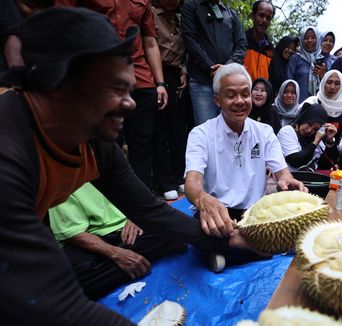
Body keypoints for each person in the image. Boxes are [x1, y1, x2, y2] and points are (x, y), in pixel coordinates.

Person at [0, 8, 254, 324]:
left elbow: (151, 212)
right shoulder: (8, 157)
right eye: (118, 89)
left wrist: (237, 241)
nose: (131, 103)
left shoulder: (94, 142)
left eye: (130, 90)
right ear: (61, 84)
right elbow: (64, 306)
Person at [184, 63, 306, 267]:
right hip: (219, 215)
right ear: (217, 100)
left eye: (245, 94)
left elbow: (283, 174)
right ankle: (246, 247)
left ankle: (229, 249)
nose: (239, 101)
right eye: (231, 95)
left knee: (294, 225)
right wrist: (203, 199)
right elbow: (192, 182)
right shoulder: (201, 134)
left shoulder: (265, 132)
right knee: (198, 227)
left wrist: (289, 183)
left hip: (254, 216)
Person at [56, 0, 169, 191]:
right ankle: (112, 207)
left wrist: (160, 83)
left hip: (140, 79)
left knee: (142, 143)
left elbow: (149, 42)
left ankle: (142, 197)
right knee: (107, 145)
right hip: (102, 79)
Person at [49, 182, 187, 299]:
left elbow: (137, 194)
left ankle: (114, 272)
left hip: (128, 228)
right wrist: (116, 254)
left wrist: (135, 215)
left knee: (171, 227)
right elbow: (73, 233)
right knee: (69, 277)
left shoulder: (105, 158)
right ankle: (136, 261)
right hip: (94, 239)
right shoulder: (57, 179)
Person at [181, 0, 247, 125]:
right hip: (202, 82)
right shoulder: (191, 6)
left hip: (229, 84)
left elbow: (241, 44)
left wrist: (226, 69)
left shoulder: (231, 13)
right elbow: (189, 40)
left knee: (231, 128)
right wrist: (211, 68)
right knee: (207, 131)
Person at [151, 0, 189, 200]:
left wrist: (183, 70)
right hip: (156, 74)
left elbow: (182, 53)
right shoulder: (150, 15)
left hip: (176, 76)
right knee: (160, 130)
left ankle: (177, 177)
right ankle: (164, 181)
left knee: (177, 130)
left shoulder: (180, 20)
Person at [301, 69, 342, 167]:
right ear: (323, 83)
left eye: (337, 83)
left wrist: (331, 141)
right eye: (329, 82)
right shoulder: (312, 103)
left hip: (334, 156)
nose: (332, 87)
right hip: (307, 154)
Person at [277, 103, 337, 172]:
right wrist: (315, 142)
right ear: (305, 117)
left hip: (309, 180)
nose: (309, 130)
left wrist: (330, 140)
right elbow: (295, 161)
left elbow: (325, 165)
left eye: (315, 129)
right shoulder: (287, 131)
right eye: (309, 124)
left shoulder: (315, 138)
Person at [286, 26, 325, 102]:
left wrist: (322, 75)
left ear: (318, 40)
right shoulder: (295, 58)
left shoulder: (321, 60)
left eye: (313, 37)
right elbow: (288, 81)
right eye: (306, 38)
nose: (309, 40)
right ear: (302, 40)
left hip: (316, 105)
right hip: (297, 105)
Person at [243, 0, 275, 81]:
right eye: (261, 15)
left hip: (262, 92)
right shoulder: (241, 39)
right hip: (242, 90)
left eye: (268, 18)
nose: (264, 20)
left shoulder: (270, 48)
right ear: (253, 16)